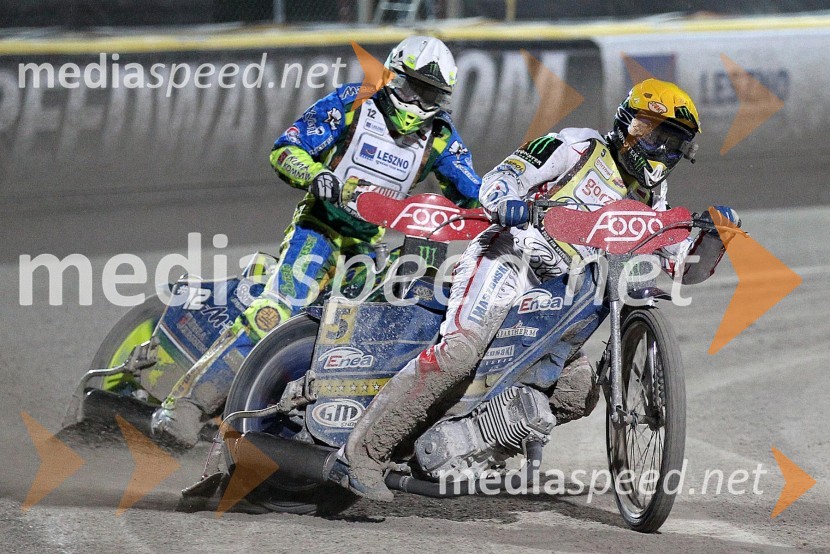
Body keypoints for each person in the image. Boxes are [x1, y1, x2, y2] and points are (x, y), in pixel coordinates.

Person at [342, 78, 741, 501]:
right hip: (509, 258)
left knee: (577, 391)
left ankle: (466, 441)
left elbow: (680, 265)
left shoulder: (652, 194)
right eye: (653, 133)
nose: (660, 149)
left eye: (673, 142)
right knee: (459, 352)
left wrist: (713, 237)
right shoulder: (575, 148)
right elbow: (501, 177)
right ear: (628, 124)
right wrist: (507, 202)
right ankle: (363, 454)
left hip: (560, 294)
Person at [151, 36, 482, 447]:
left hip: (366, 248)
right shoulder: (354, 102)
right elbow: (286, 149)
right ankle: (183, 406)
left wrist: (501, 207)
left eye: (430, 92)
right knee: (276, 312)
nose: (418, 100)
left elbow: (472, 189)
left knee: (353, 336)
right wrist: (316, 175)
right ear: (393, 75)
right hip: (319, 229)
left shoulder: (439, 137)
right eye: (413, 86)